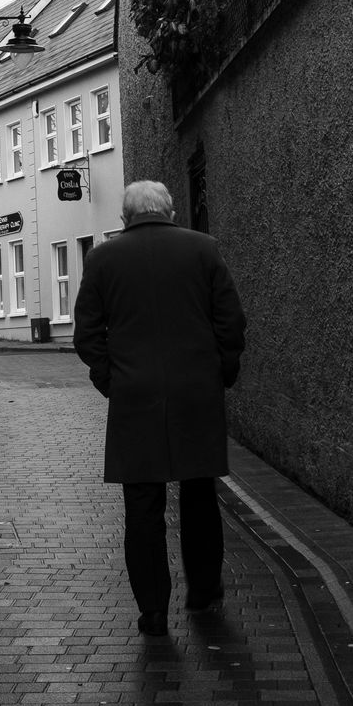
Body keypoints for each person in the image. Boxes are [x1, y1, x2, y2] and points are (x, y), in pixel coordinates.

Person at [73, 180, 246, 636]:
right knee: (199, 492)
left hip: (134, 395)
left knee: (142, 503)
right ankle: (203, 590)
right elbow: (231, 320)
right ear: (169, 210)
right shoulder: (203, 249)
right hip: (196, 391)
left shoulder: (103, 258)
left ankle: (152, 608)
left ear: (127, 217)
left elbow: (87, 334)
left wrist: (111, 380)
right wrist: (222, 372)